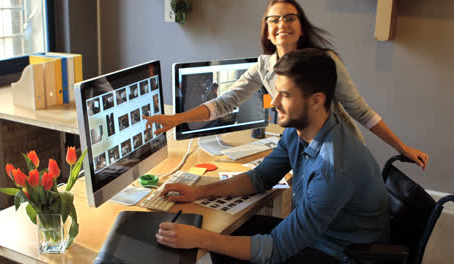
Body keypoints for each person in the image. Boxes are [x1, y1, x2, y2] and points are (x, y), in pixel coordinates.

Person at [156, 49, 389, 263]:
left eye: (285, 95)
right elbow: (260, 178)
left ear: (317, 100)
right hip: (321, 234)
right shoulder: (300, 130)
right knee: (228, 235)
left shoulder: (334, 168)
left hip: (340, 253)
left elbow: (275, 249)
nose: (274, 102)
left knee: (213, 244)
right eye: (276, 91)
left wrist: (201, 239)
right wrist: (200, 191)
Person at [144, 0, 428, 169]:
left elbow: (361, 111)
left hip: (338, 151)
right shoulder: (264, 65)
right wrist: (177, 119)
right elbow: (224, 102)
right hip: (304, 147)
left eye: (290, 18)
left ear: (301, 26)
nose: (282, 23)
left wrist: (401, 147)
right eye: (274, 19)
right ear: (267, 30)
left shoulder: (324, 61)